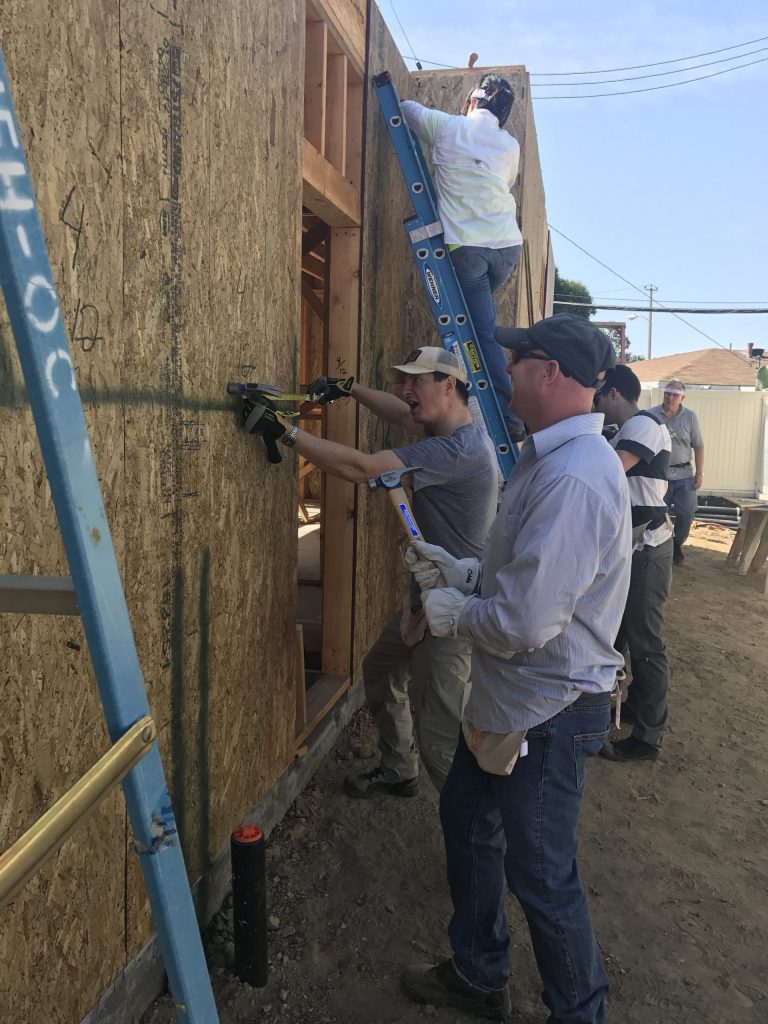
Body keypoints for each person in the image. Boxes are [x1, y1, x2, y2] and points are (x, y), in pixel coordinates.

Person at [400, 314, 631, 1023]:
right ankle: (478, 972)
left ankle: (579, 1013)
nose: (504, 372)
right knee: (468, 821)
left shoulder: (574, 478)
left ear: (550, 373)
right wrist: (467, 574)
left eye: (518, 360)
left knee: (542, 877)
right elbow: (528, 575)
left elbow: (527, 621)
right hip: (515, 702)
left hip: (547, 711)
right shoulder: (550, 458)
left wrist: (456, 613)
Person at [239, 347, 497, 795]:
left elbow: (361, 468)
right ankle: (399, 770)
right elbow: (400, 413)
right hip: (426, 598)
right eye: (405, 381)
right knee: (379, 671)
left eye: (417, 381)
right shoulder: (456, 427)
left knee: (441, 741)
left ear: (448, 385)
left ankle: (475, 828)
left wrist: (284, 432)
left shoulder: (457, 451)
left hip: (452, 613)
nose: (407, 389)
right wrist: (351, 388)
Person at [400, 74, 524, 439]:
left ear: (471, 101)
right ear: (502, 115)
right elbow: (501, 181)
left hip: (467, 250)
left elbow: (405, 110)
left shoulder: (447, 126)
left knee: (480, 333)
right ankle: (478, 401)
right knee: (479, 323)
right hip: (506, 247)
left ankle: (506, 414)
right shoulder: (510, 146)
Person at [593, 365, 673, 763]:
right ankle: (626, 710)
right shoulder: (625, 430)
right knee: (622, 635)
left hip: (647, 547)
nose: (594, 404)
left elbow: (608, 471)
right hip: (634, 547)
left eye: (598, 396)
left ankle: (647, 737)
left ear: (614, 393)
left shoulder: (645, 424)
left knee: (644, 643)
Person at [649, 379, 704, 565]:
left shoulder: (690, 417)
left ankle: (677, 543)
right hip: (659, 474)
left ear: (682, 398)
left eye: (675, 395)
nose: (670, 398)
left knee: (687, 511)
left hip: (684, 474)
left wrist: (699, 472)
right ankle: (658, 547)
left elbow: (699, 446)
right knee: (657, 512)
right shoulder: (651, 415)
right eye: (667, 394)